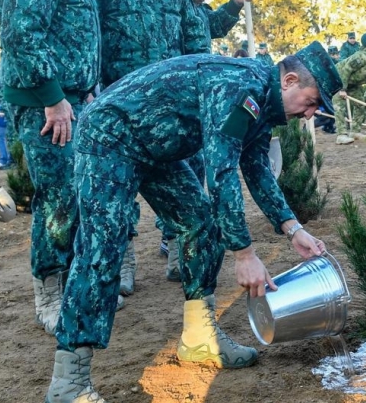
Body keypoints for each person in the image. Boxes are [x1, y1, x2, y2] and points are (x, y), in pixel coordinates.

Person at [45, 43, 339, 401]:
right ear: (289, 80)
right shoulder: (240, 87)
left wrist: (292, 227)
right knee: (103, 244)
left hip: (156, 148)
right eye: (311, 102)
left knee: (201, 224)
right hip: (112, 136)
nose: (310, 114)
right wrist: (244, 254)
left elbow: (257, 167)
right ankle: (69, 380)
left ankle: (199, 338)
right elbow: (222, 171)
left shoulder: (263, 101)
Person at [0, 0, 110, 335]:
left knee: (75, 194)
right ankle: (48, 291)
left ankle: (69, 283)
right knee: (57, 199)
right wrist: (52, 97)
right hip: (49, 109)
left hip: (73, 102)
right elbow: (22, 35)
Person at [87, 0, 209, 296]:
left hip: (170, 110)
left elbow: (195, 42)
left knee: (184, 180)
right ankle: (124, 264)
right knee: (118, 191)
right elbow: (89, 42)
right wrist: (91, 90)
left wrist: (198, 89)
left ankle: (177, 252)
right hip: (118, 111)